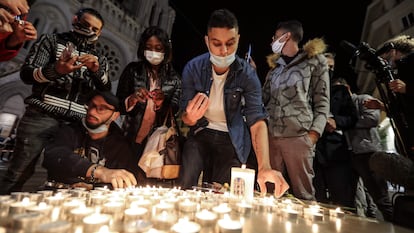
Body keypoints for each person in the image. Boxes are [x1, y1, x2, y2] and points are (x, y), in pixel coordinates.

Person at [177, 8, 289, 198]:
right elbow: (183, 117)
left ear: (238, 38)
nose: (224, 51)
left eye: (230, 43)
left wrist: (265, 167)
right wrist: (190, 117)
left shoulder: (247, 74)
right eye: (216, 43)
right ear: (207, 41)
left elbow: (257, 120)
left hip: (232, 139)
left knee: (225, 195)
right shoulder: (193, 68)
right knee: (187, 184)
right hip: (201, 133)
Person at [0, 8, 111, 195]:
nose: (89, 30)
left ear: (99, 33)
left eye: (95, 29)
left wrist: (96, 71)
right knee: (18, 173)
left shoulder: (99, 58)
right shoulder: (50, 41)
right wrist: (57, 70)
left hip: (74, 125)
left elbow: (104, 91)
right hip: (41, 116)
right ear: (75, 20)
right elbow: (28, 74)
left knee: (65, 177)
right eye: (85, 25)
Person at [262, 20, 330, 200]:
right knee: (270, 193)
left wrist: (313, 134)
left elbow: (323, 101)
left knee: (304, 194)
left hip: (299, 138)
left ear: (287, 36)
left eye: (276, 37)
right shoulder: (274, 70)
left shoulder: (315, 62)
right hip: (271, 138)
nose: (273, 41)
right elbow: (263, 100)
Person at [116, 26, 181, 183]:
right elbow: (118, 103)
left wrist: (162, 103)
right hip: (130, 137)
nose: (154, 52)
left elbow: (176, 109)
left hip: (155, 145)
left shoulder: (174, 79)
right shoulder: (133, 70)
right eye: (149, 48)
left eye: (158, 48)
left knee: (147, 186)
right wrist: (132, 99)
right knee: (125, 180)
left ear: (165, 49)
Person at [42, 91, 138, 190]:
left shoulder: (120, 144)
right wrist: (99, 171)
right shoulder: (69, 131)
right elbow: (54, 156)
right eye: (91, 105)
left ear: (115, 115)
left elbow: (126, 179)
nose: (92, 112)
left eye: (102, 108)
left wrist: (93, 187)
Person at [334, 78, 393, 221]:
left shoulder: (363, 99)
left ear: (347, 88)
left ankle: (396, 224)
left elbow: (372, 119)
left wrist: (346, 122)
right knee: (351, 195)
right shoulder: (342, 107)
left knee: (379, 194)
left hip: (368, 152)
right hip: (351, 153)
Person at [313, 54, 359, 209]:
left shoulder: (341, 91)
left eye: (331, 67)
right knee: (316, 199)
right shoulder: (308, 90)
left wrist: (336, 121)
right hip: (314, 152)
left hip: (335, 152)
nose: (328, 70)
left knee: (342, 200)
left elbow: (353, 118)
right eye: (325, 66)